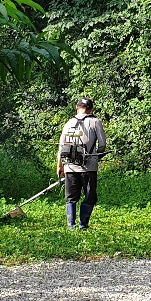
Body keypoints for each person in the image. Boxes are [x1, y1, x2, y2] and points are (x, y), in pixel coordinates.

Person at [57, 97, 107, 230]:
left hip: (69, 166)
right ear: (91, 109)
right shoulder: (95, 122)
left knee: (71, 197)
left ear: (77, 108)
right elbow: (102, 145)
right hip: (89, 167)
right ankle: (83, 225)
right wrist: (97, 156)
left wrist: (60, 166)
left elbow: (61, 147)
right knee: (90, 196)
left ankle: (71, 226)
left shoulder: (68, 123)